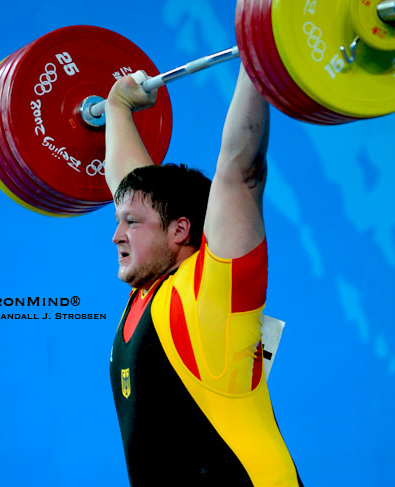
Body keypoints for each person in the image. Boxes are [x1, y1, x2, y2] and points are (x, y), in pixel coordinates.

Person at [105, 60, 303, 486]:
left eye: (131, 225)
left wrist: (259, 54)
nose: (116, 236)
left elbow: (241, 173)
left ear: (180, 230)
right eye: (120, 222)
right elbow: (131, 187)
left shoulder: (211, 295)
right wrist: (118, 108)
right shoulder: (149, 292)